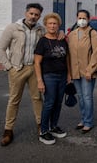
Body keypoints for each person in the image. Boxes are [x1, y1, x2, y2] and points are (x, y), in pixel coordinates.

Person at [0, 3, 45, 146]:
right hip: (17, 69)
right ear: (26, 13)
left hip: (34, 69)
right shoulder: (13, 28)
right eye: (31, 13)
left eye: (36, 15)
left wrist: (61, 33)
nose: (33, 17)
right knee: (14, 100)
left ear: (39, 16)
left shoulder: (40, 30)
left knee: (37, 98)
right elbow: (0, 49)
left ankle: (41, 126)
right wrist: (9, 67)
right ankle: (8, 130)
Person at [34, 13, 70, 145]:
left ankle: (53, 126)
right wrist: (39, 80)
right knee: (49, 103)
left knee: (58, 102)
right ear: (46, 25)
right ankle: (43, 131)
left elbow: (67, 58)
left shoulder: (62, 39)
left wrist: (69, 74)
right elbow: (37, 62)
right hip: (49, 76)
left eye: (55, 23)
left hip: (62, 75)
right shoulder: (42, 41)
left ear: (58, 25)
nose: (52, 26)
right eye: (50, 23)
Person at [67, 10, 97, 133]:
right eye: (79, 17)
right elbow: (69, 53)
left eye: (84, 18)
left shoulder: (92, 33)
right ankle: (83, 119)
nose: (81, 20)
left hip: (87, 72)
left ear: (88, 19)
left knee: (87, 97)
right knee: (81, 97)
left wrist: (90, 70)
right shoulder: (72, 34)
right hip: (75, 71)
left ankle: (88, 122)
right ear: (76, 18)